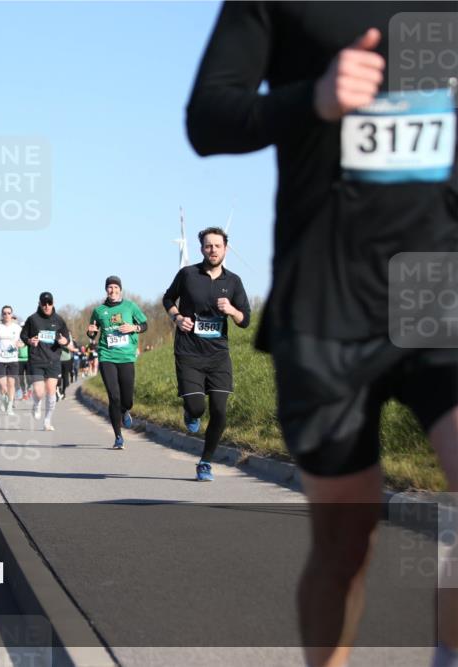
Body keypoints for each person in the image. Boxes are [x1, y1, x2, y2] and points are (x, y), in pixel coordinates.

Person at [187, 4, 458, 665]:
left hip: (436, 281)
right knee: (345, 541)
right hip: (328, 296)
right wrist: (315, 96)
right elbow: (209, 118)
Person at [163, 227, 251, 480]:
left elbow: (245, 320)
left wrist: (232, 310)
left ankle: (205, 462)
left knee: (220, 412)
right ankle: (191, 411)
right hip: (189, 352)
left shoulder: (233, 282)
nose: (213, 250)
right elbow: (168, 299)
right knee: (197, 407)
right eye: (208, 246)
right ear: (201, 249)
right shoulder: (187, 274)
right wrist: (177, 318)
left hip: (218, 356)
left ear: (225, 249)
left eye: (217, 246)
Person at [88, 275, 148, 449]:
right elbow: (93, 333)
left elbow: (145, 325)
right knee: (114, 397)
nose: (112, 290)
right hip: (107, 356)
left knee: (127, 399)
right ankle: (118, 437)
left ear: (120, 289)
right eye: (109, 287)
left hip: (127, 357)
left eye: (115, 287)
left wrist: (133, 327)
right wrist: (90, 332)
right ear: (106, 290)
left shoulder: (130, 306)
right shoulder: (99, 310)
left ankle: (125, 410)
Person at [20, 292, 71, 431]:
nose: (47, 306)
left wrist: (64, 341)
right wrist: (29, 341)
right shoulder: (32, 319)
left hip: (53, 360)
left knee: (51, 390)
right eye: (44, 303)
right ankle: (36, 404)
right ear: (39, 304)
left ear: (53, 303)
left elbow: (67, 339)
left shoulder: (59, 320)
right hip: (36, 359)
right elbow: (23, 335)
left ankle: (47, 421)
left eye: (49, 303)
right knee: (39, 392)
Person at [0, 306, 23, 416]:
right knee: (2, 385)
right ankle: (4, 398)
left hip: (13, 359)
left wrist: (21, 344)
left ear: (12, 314)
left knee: (11, 384)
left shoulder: (17, 328)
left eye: (9, 313)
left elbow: (24, 341)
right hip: (0, 359)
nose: (7, 315)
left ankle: (10, 406)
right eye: (4, 313)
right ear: (1, 314)